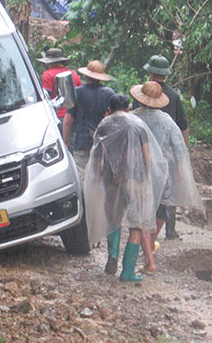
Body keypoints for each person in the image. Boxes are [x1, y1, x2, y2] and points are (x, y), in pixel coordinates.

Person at [84, 94, 168, 281]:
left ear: (110, 108)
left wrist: (97, 178)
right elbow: (147, 158)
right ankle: (128, 271)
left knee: (113, 218)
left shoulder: (104, 125)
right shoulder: (138, 126)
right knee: (136, 225)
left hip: (111, 180)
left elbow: (96, 157)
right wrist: (146, 180)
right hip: (135, 180)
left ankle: (113, 254)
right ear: (128, 108)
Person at [131, 81, 203, 268]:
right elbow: (179, 149)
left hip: (138, 171)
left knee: (141, 211)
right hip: (162, 173)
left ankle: (145, 247)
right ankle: (150, 243)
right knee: (161, 210)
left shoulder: (132, 118)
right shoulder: (167, 121)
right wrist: (180, 172)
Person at [141, 54, 190, 239]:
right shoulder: (174, 96)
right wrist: (183, 154)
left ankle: (145, 226)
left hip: (145, 150)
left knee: (147, 188)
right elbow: (182, 126)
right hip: (167, 151)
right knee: (169, 189)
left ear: (150, 72)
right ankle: (170, 229)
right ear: (166, 74)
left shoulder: (143, 92)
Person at [62, 60, 115, 180]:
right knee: (101, 177)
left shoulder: (77, 92)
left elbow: (68, 120)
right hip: (103, 144)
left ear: (85, 75)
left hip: (82, 142)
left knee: (83, 177)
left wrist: (66, 141)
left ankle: (87, 199)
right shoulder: (109, 94)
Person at [37, 47, 81, 123]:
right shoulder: (73, 73)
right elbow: (80, 95)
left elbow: (47, 96)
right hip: (75, 116)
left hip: (58, 116)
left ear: (49, 63)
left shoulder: (47, 75)